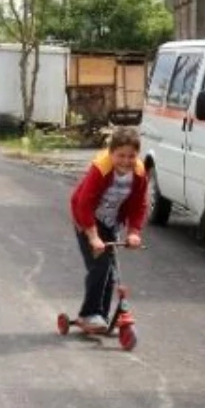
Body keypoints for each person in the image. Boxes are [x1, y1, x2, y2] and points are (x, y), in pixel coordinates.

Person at [68, 126, 148, 334]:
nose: (125, 161)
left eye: (131, 156)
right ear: (111, 153)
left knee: (111, 273)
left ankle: (100, 317)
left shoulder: (139, 174)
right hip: (87, 219)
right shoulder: (101, 169)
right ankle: (88, 314)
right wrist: (93, 236)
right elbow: (84, 203)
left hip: (110, 222)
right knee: (100, 266)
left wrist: (133, 232)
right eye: (120, 155)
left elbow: (139, 205)